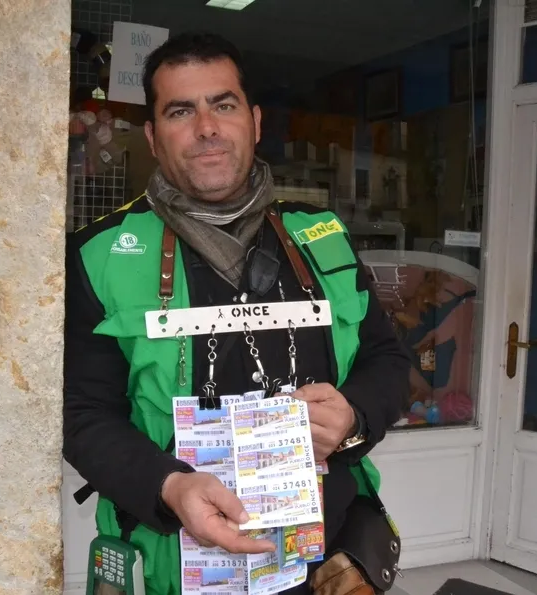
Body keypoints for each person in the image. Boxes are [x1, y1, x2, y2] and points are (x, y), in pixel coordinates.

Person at [63, 31, 411, 595]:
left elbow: (389, 361)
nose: (206, 128)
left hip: (325, 558)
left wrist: (354, 415)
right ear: (153, 136)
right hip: (170, 561)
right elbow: (80, 415)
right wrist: (169, 487)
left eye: (222, 105)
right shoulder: (98, 256)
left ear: (253, 121)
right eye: (181, 111)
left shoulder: (322, 236)